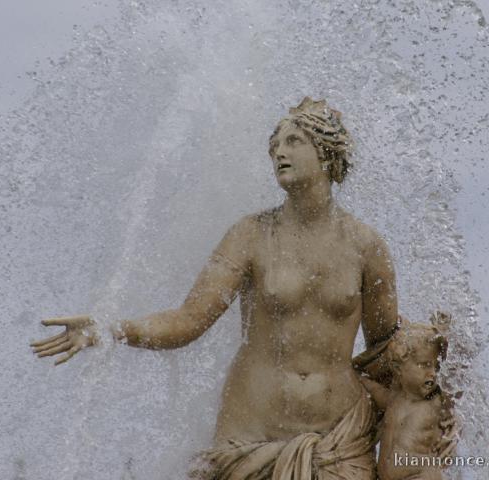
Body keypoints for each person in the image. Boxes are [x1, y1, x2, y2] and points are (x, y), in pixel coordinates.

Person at [30, 97, 404, 479]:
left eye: (294, 141)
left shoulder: (366, 246)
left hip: (337, 445)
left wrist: (440, 371)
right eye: (274, 146)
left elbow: (385, 352)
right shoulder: (251, 235)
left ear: (327, 153)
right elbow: (188, 321)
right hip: (249, 436)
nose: (279, 153)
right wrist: (111, 329)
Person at [377, 316, 457, 480]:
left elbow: (456, 375)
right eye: (425, 364)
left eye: (435, 366)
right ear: (399, 367)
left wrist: (445, 330)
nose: (433, 373)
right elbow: (360, 381)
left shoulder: (434, 401)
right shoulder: (393, 397)